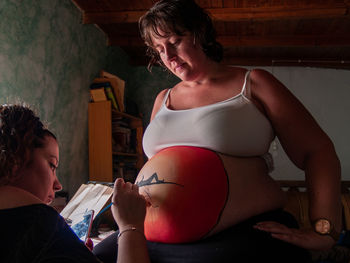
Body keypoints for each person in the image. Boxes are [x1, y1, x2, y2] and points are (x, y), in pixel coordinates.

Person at [93, 0, 342, 262]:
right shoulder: (163, 98)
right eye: (158, 48)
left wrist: (324, 230)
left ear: (200, 33)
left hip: (239, 231)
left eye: (175, 41)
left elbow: (318, 151)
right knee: (96, 256)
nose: (167, 55)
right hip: (154, 233)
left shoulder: (253, 83)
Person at [0, 104, 149, 263]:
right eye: (52, 165)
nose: (58, 185)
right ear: (15, 159)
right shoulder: (40, 223)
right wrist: (130, 227)